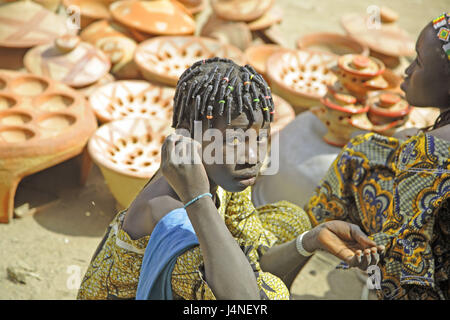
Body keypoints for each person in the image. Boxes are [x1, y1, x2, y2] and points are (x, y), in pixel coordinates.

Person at [77, 58, 382, 300]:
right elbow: (246, 300)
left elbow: (253, 260)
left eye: (261, 136)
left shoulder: (222, 175)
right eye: (234, 139)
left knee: (291, 219)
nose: (252, 155)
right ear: (189, 133)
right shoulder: (167, 213)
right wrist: (198, 199)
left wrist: (310, 241)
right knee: (271, 294)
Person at [304, 16, 450, 299]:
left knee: (358, 154)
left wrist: (381, 284)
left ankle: (315, 242)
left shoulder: (432, 152)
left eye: (418, 62)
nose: (407, 70)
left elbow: (406, 257)